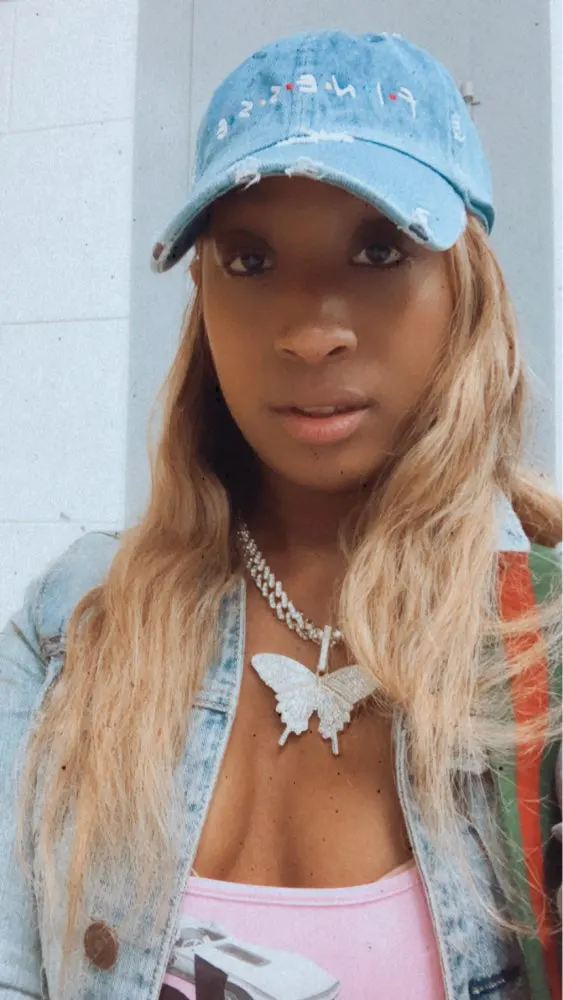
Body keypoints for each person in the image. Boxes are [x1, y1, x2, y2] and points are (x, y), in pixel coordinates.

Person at [0, 28, 561, 1000]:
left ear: (466, 287)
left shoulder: (537, 641)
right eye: (250, 260)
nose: (309, 333)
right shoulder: (76, 620)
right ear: (200, 293)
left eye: (378, 249)